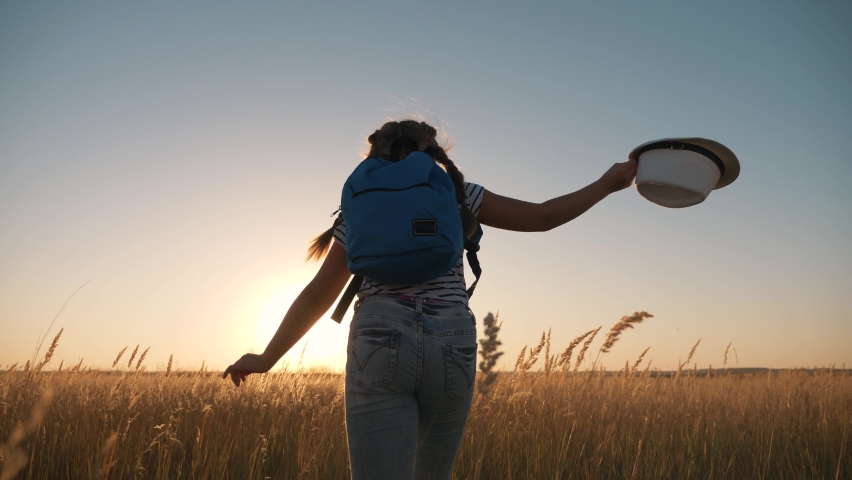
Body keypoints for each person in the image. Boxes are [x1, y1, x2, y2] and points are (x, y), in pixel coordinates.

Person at [223, 119, 637, 479]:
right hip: (452, 340)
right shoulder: (460, 194)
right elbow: (544, 217)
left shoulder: (361, 207)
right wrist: (607, 183)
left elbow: (320, 291)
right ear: (433, 153)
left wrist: (267, 358)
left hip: (379, 335)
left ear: (375, 153)